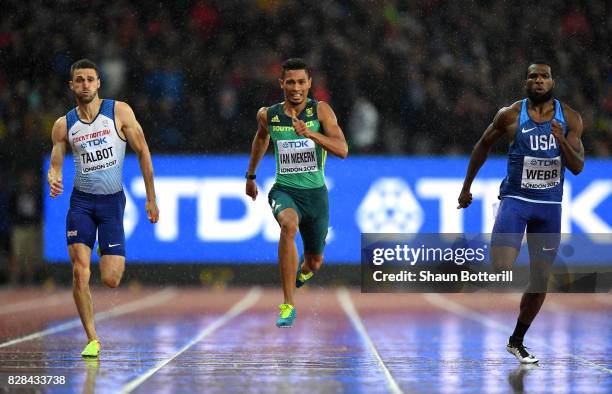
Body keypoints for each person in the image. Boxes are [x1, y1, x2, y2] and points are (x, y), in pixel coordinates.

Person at [458, 62, 584, 363]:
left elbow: (577, 167)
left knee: (541, 280)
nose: (539, 81)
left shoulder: (571, 119)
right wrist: (466, 188)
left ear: (552, 81)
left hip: (550, 207)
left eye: (544, 76)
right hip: (516, 198)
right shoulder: (511, 115)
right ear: (525, 82)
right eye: (533, 77)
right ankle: (504, 222)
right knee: (501, 266)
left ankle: (517, 340)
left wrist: (560, 140)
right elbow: (482, 146)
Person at [47, 59, 159, 357]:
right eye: (79, 80)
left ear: (98, 83)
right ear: (72, 85)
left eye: (90, 79)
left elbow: (143, 151)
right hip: (81, 203)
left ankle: (102, 248)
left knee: (111, 279)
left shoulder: (119, 111)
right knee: (79, 272)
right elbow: (56, 163)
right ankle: (92, 339)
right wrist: (53, 177)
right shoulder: (63, 124)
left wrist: (151, 197)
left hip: (111, 203)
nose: (85, 84)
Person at [245, 58, 348, 327]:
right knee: (288, 225)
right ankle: (288, 305)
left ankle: (302, 272)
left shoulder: (321, 112)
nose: (296, 87)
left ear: (309, 84)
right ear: (282, 84)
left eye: (301, 81)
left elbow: (342, 149)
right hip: (284, 190)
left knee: (315, 262)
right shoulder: (268, 115)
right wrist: (251, 176)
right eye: (290, 82)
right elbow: (261, 139)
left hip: (316, 196)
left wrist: (311, 135)